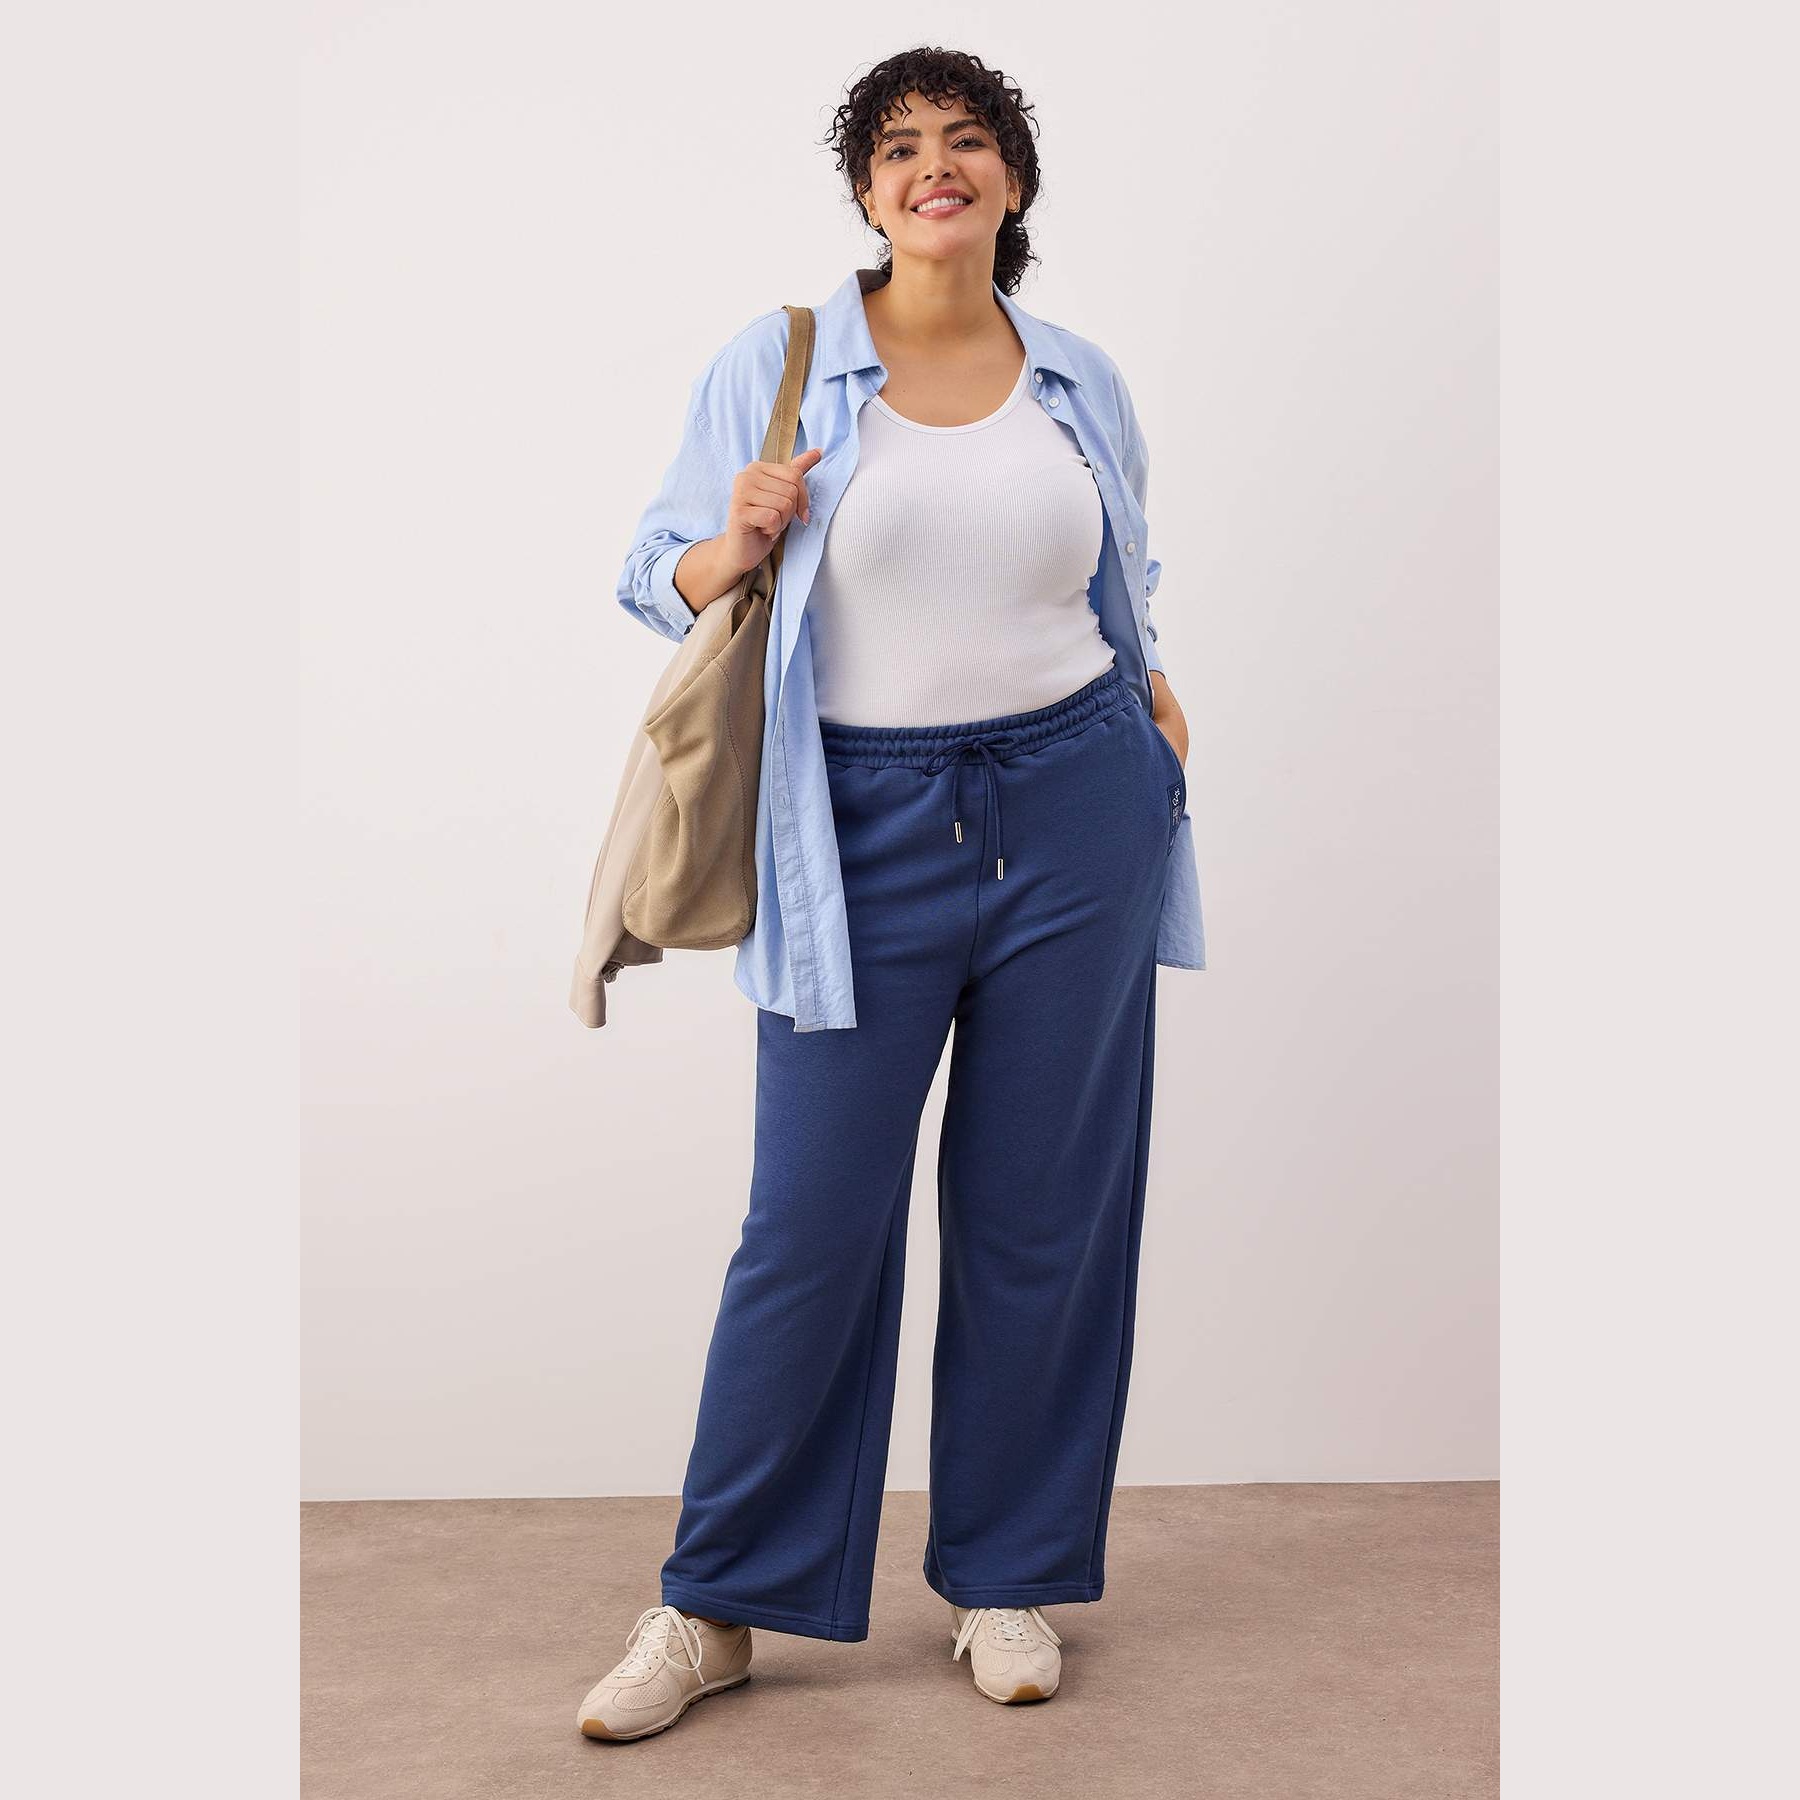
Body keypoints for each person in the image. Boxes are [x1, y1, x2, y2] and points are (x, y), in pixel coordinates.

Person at [577, 47, 1206, 1742]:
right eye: (901, 146)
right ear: (865, 190)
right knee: (812, 1223)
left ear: (1012, 182)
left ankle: (1006, 1571)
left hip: (1078, 806)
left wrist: (1155, 715)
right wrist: (734, 541)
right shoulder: (782, 362)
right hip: (853, 825)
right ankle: (715, 1603)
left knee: (1042, 1211)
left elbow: (1119, 568)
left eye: (968, 141)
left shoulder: (1076, 375)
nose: (938, 165)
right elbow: (652, 573)